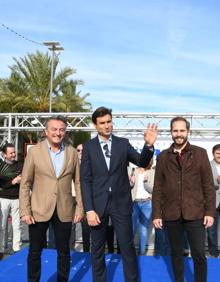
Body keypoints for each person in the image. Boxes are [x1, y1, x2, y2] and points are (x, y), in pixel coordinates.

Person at [80, 106, 158, 282]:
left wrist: (149, 145)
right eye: (102, 123)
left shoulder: (123, 143)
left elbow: (141, 161)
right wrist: (89, 209)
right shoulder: (89, 147)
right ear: (95, 125)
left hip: (121, 203)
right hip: (97, 205)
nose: (107, 126)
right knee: (97, 248)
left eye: (109, 121)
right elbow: (85, 180)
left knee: (127, 247)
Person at [19, 115, 84, 282]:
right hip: (38, 209)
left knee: (64, 252)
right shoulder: (35, 152)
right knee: (35, 251)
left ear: (65, 132)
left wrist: (80, 208)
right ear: (46, 131)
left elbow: (78, 183)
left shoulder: (72, 153)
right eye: (54, 129)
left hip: (64, 209)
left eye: (61, 130)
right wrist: (25, 211)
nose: (58, 133)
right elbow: (25, 183)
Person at [152, 116, 216, 282]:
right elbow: (158, 187)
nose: (178, 134)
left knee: (199, 255)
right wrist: (157, 214)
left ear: (188, 131)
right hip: (171, 213)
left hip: (195, 213)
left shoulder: (200, 153)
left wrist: (210, 212)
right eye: (175, 130)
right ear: (171, 132)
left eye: (182, 130)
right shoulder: (164, 157)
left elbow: (208, 185)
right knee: (176, 253)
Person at [0, 143, 23, 259]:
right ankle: (2, 248)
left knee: (17, 225)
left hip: (17, 199)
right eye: (11, 153)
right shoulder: (1, 166)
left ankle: (17, 247)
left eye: (14, 152)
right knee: (2, 225)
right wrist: (13, 182)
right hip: (3, 199)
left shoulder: (20, 164)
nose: (14, 154)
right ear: (4, 154)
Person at [130, 158, 155, 255]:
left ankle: (142, 253)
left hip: (147, 203)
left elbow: (154, 189)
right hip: (134, 203)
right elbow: (127, 186)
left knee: (143, 230)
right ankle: (130, 252)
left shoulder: (152, 172)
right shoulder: (133, 171)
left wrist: (146, 182)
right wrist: (131, 182)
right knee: (132, 228)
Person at [207, 144, 220, 257]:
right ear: (213, 154)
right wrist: (217, 181)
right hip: (212, 202)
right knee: (211, 230)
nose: (219, 155)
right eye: (217, 153)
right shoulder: (208, 166)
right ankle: (213, 253)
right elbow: (206, 184)